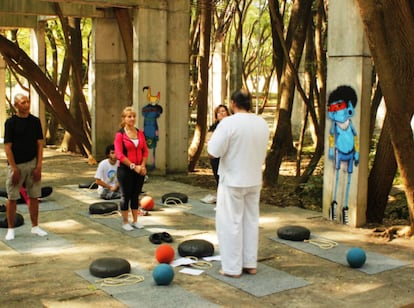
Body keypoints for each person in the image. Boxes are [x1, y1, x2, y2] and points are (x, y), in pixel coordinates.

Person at [207, 89, 269, 277]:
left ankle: (232, 267)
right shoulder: (262, 123)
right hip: (253, 178)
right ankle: (250, 263)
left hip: (233, 179)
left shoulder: (228, 123)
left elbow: (213, 151)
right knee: (250, 221)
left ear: (232, 103)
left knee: (230, 223)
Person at [3, 93, 48, 240]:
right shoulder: (11, 123)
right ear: (16, 105)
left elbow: (40, 145)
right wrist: (14, 168)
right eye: (23, 102)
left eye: (27, 101)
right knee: (12, 197)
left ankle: (35, 226)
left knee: (34, 196)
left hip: (32, 163)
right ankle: (10, 229)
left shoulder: (35, 122)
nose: (26, 104)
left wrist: (39, 166)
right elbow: (8, 147)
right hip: (17, 165)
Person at [114, 106, 149, 231]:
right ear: (124, 119)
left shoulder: (140, 133)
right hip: (125, 169)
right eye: (129, 116)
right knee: (125, 195)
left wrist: (143, 165)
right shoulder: (120, 134)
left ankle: (135, 220)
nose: (132, 118)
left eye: (134, 116)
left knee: (136, 195)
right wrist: (134, 166)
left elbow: (145, 151)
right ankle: (125, 221)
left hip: (140, 169)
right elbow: (119, 154)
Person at [201, 104, 230, 204]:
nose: (221, 113)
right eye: (219, 112)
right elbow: (208, 138)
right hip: (215, 156)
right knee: (218, 176)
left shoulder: (231, 125)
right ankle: (221, 195)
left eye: (223, 111)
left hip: (227, 156)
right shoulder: (214, 126)